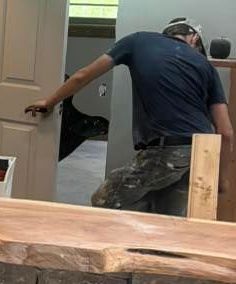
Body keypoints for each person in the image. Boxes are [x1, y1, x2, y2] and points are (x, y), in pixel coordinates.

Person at [25, 17, 233, 215]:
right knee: (166, 219)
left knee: (104, 199)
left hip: (169, 150)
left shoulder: (138, 41)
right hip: (202, 152)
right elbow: (226, 131)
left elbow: (82, 76)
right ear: (194, 39)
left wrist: (49, 101)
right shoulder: (204, 64)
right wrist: (222, 180)